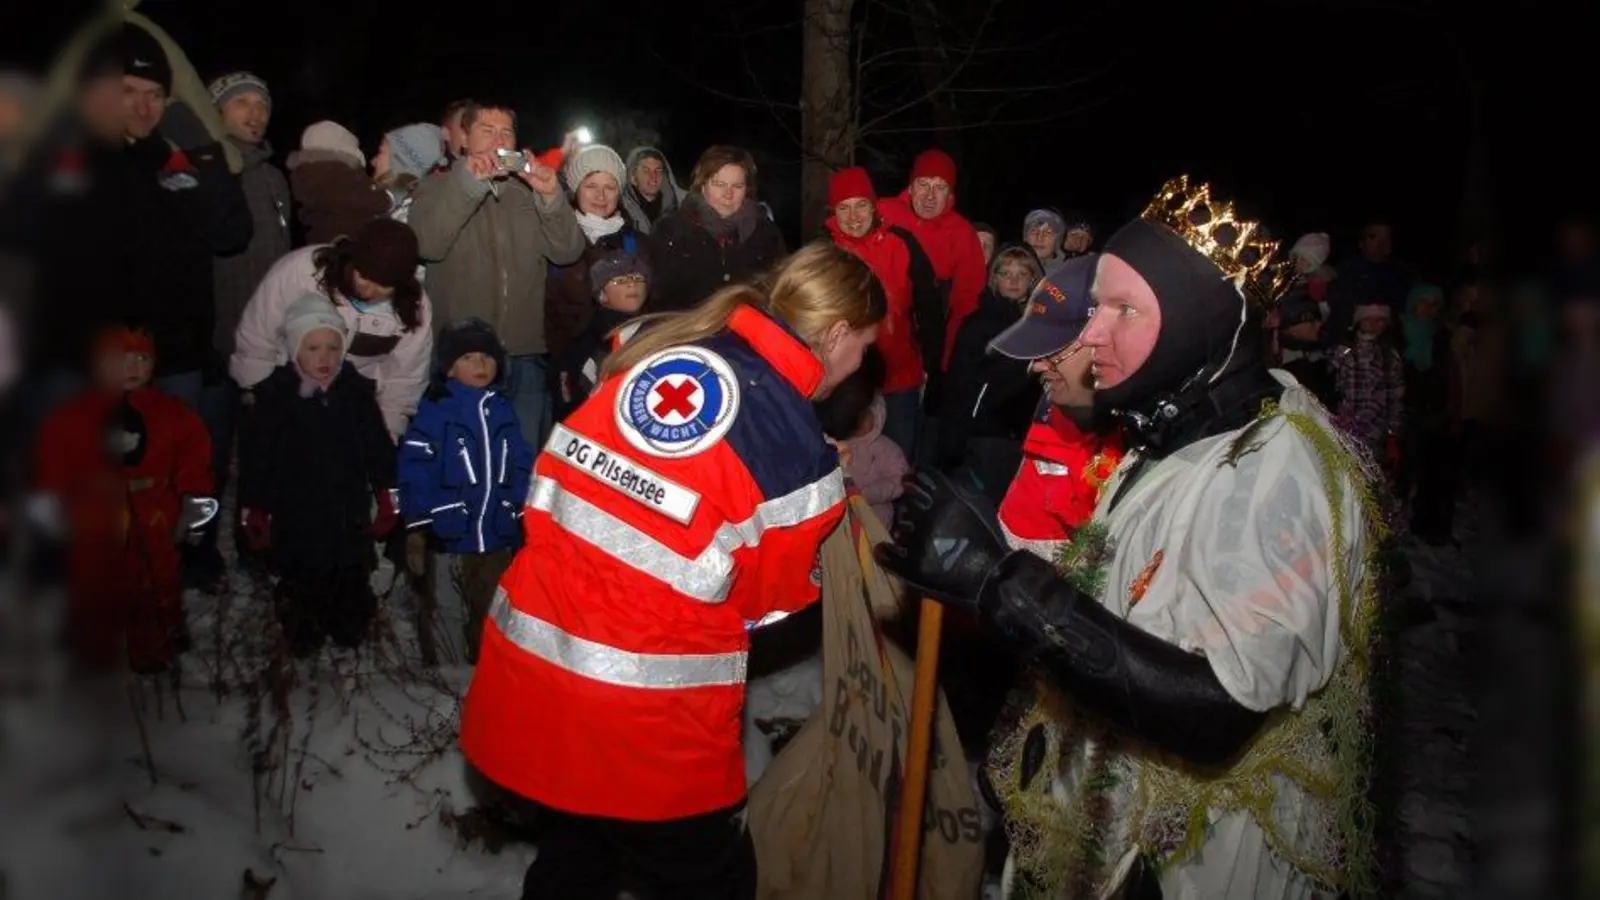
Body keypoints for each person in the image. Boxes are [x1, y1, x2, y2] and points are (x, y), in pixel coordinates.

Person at [878, 176, 1386, 899]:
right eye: (1096, 307)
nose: (1090, 336)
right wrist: (985, 552)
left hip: (1195, 862)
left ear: (1200, 319)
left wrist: (1003, 589)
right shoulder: (1178, 427)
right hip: (1115, 822)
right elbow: (1134, 578)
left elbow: (1220, 711)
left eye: (1125, 310)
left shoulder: (1276, 469)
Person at [461, 242, 885, 900]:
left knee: (576, 853)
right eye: (862, 347)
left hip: (535, 660)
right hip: (646, 717)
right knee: (712, 881)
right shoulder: (799, 456)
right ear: (834, 335)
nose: (861, 365)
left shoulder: (662, 347)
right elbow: (765, 603)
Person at [32, 327, 215, 673]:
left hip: (155, 508)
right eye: (120, 360)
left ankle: (159, 640)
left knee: (158, 576)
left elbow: (194, 457)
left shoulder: (173, 414)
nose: (132, 368)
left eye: (141, 359)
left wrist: (194, 500)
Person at [238, 293, 398, 656]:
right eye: (313, 348)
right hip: (298, 512)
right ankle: (302, 629)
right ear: (295, 350)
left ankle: (350, 623)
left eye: (332, 347)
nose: (324, 358)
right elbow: (258, 459)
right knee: (303, 581)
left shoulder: (355, 393)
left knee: (350, 576)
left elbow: (378, 447)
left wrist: (388, 492)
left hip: (347, 509)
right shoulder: (277, 399)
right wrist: (255, 508)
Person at [398, 318, 533, 663]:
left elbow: (519, 463)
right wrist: (417, 524)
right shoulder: (435, 412)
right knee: (446, 609)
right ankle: (445, 671)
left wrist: (521, 512)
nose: (480, 364)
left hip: (496, 536)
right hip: (449, 534)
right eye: (469, 357)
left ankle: (484, 668)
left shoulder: (503, 411)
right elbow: (414, 469)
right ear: (449, 367)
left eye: (487, 357)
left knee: (491, 608)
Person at [231, 218, 432, 441]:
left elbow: (404, 379)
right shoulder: (303, 272)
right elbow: (258, 336)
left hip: (353, 410)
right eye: (363, 276)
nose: (367, 290)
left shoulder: (413, 309)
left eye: (383, 285)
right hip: (286, 395)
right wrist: (256, 397)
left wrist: (385, 436)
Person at [813, 347, 909, 526]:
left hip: (877, 520)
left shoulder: (886, 448)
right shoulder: (836, 443)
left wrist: (869, 494)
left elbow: (899, 480)